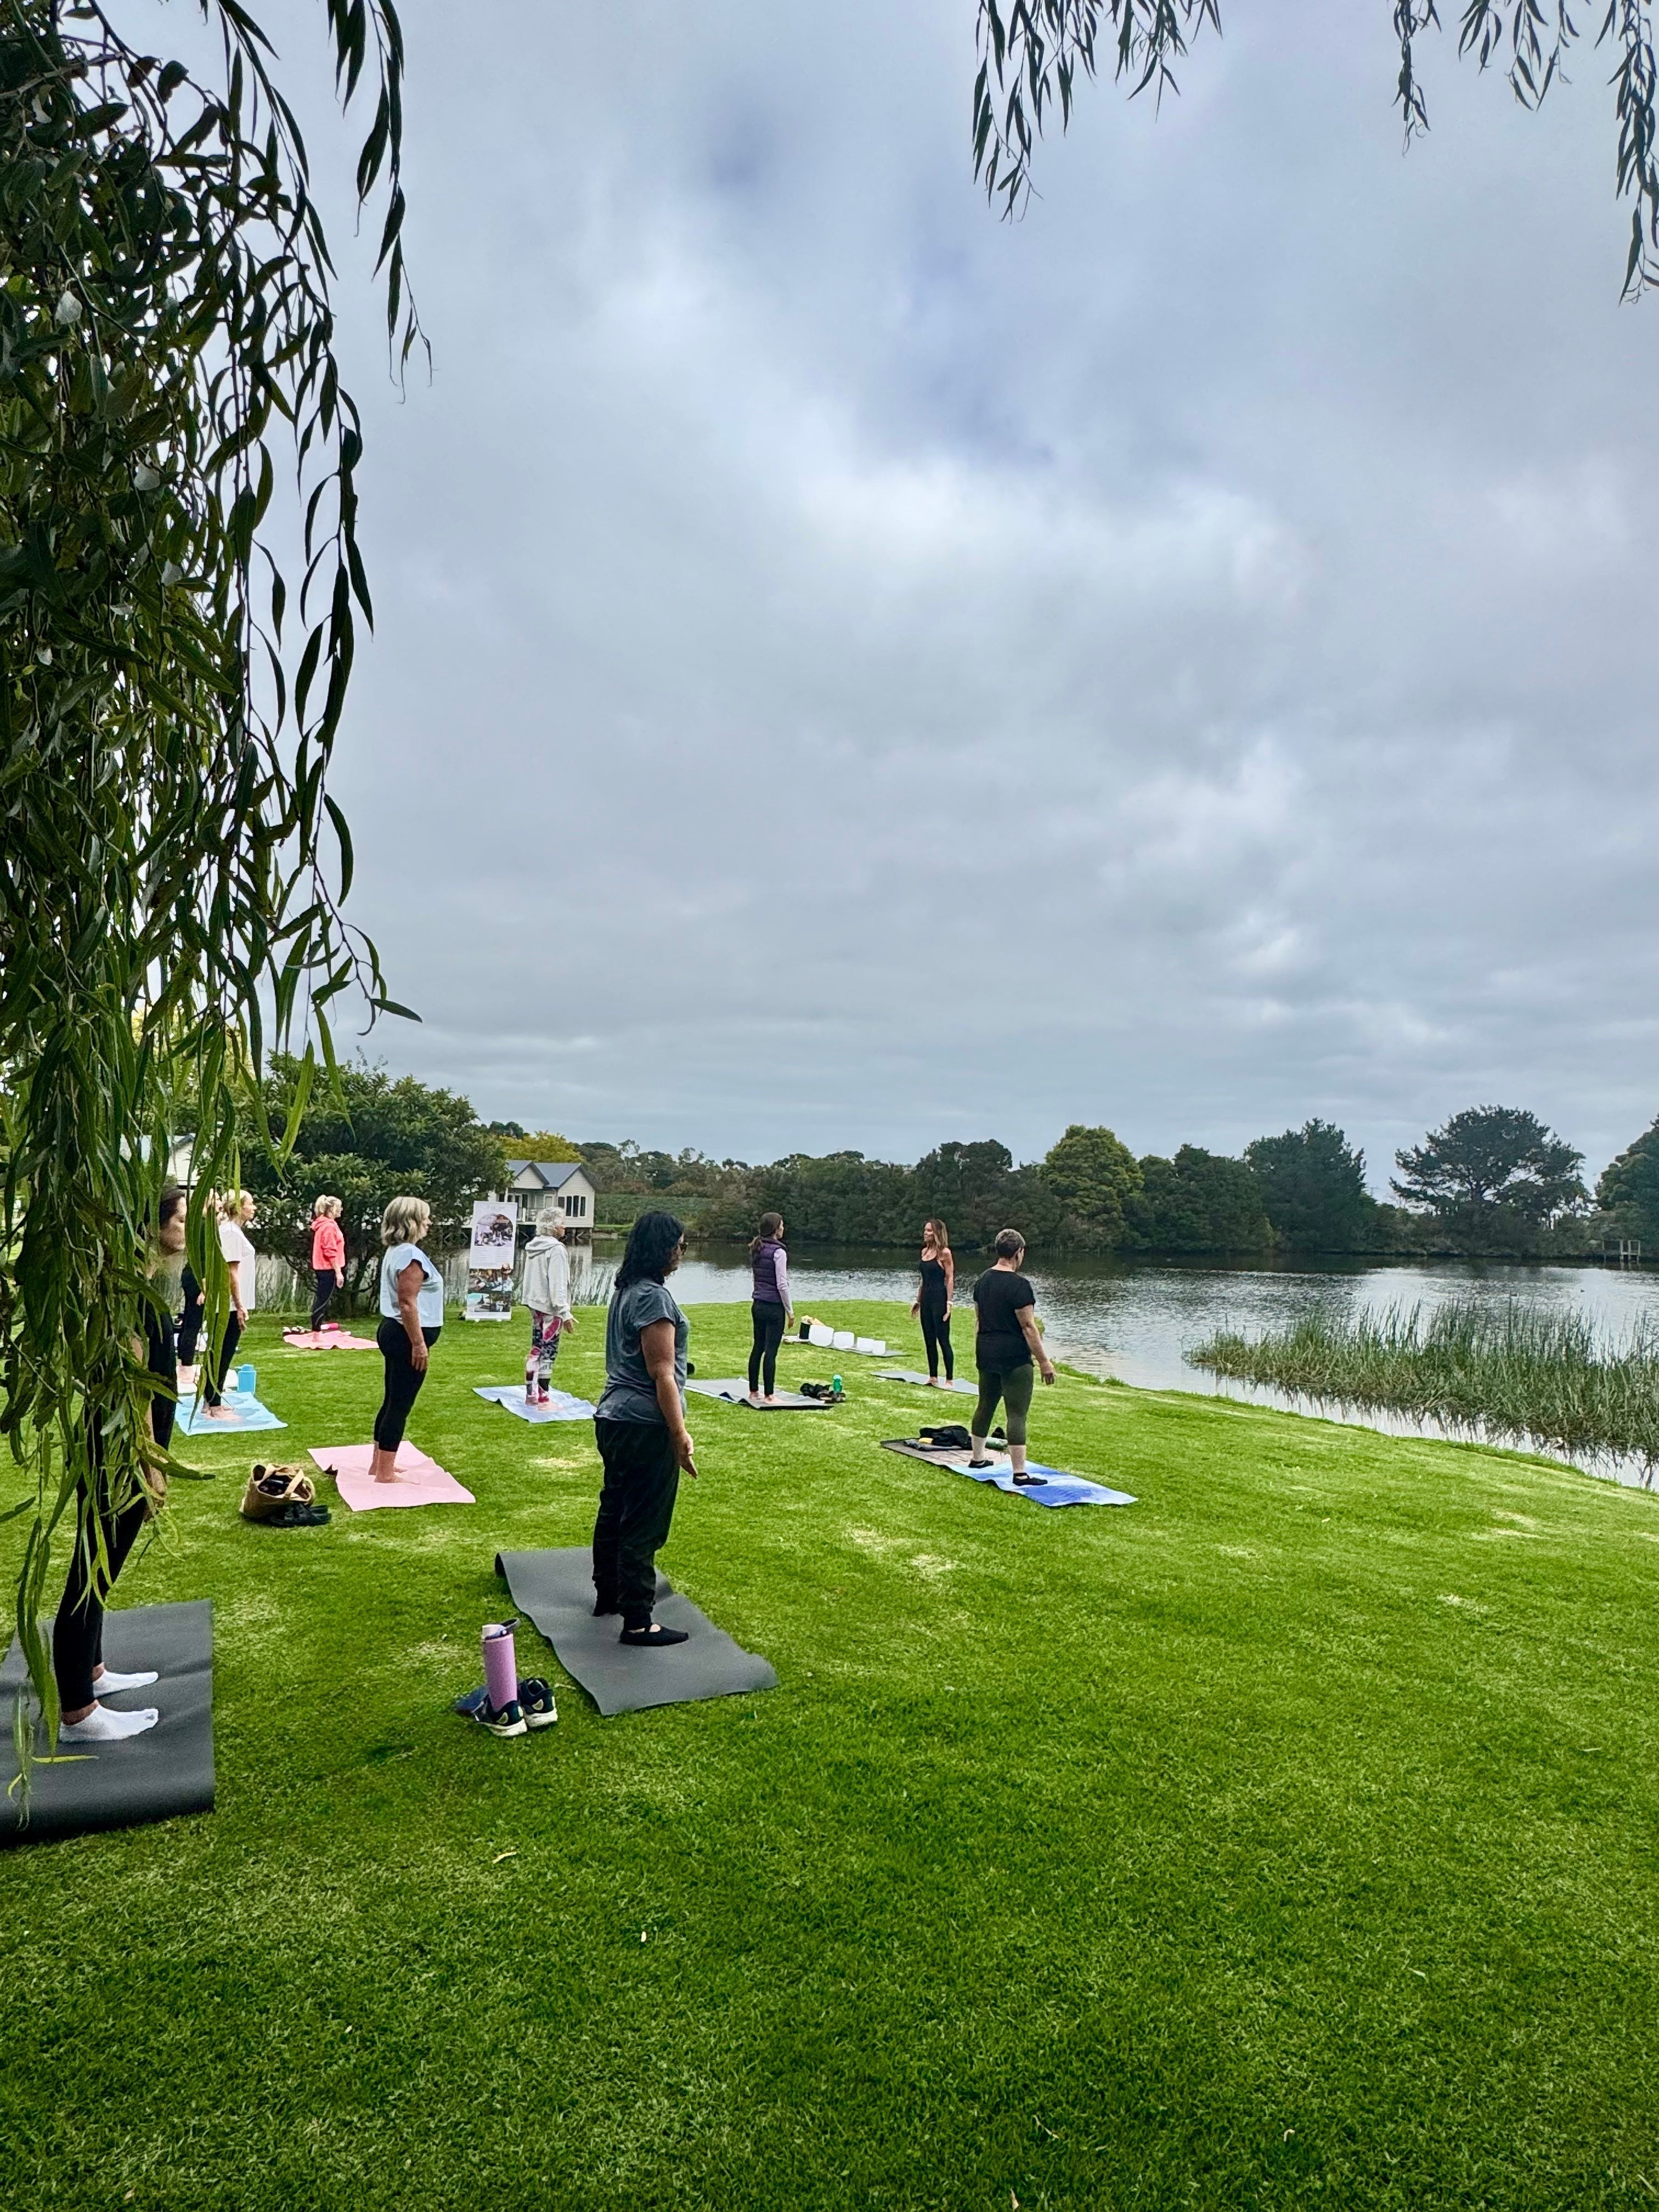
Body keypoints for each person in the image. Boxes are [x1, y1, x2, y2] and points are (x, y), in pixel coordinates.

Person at [53, 1184, 188, 1744]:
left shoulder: (147, 1282)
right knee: (92, 1572)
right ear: (153, 1226)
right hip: (120, 1454)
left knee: (101, 1569)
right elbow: (129, 1390)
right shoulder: (129, 1292)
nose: (188, 1231)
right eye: (182, 1220)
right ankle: (78, 1714)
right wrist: (150, 1464)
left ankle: (93, 1673)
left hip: (123, 1450)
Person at [592, 1211, 697, 1646]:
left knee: (616, 1508)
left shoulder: (626, 1290)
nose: (682, 1252)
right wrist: (679, 1434)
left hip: (615, 1418)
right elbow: (662, 1373)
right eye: (679, 1245)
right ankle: (638, 1620)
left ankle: (609, 1595)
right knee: (643, 1522)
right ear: (664, 1249)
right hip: (642, 1423)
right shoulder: (652, 1298)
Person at [969, 1228, 1056, 1485]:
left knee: (985, 1405)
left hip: (987, 1350)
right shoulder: (1020, 1286)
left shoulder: (982, 1280)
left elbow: (978, 1321)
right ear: (1019, 1253)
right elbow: (1028, 1327)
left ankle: (977, 1458)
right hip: (1014, 1357)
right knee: (1016, 1414)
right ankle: (1020, 1473)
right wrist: (1044, 1362)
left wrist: (980, 1351)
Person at [371, 1196, 445, 1483]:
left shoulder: (398, 1251)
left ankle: (379, 1464)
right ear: (411, 1221)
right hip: (404, 1336)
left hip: (396, 1333)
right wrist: (418, 1344)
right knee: (400, 1405)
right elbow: (407, 1303)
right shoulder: (409, 1256)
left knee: (392, 1400)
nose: (429, 1222)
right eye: (425, 1217)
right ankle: (385, 1474)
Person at [201, 1189, 257, 1417]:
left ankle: (211, 1400)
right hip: (229, 1304)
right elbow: (230, 1271)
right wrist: (240, 1305)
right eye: (251, 1204)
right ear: (239, 1207)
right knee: (222, 1352)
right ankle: (213, 1403)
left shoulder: (231, 1231)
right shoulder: (231, 1232)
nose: (254, 1208)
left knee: (222, 1351)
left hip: (229, 1302)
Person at [522, 1214, 575, 1403]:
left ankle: (531, 1392)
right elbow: (558, 1283)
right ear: (553, 1227)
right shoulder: (557, 1250)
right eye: (562, 1223)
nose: (565, 1227)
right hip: (550, 1307)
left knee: (537, 1346)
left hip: (535, 1304)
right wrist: (564, 1312)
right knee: (549, 1350)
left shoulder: (533, 1247)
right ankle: (544, 1395)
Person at [746, 1211, 793, 1404]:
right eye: (781, 1225)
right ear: (775, 1229)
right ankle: (770, 1396)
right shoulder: (778, 1252)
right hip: (774, 1308)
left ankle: (754, 1391)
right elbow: (782, 1284)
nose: (783, 1228)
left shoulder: (757, 1248)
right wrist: (790, 1311)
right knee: (771, 1351)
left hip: (758, 1304)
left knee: (758, 1347)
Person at [910, 1217, 955, 1385]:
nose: (925, 1233)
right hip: (927, 1300)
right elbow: (924, 1279)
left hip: (940, 1299)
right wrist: (918, 1300)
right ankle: (933, 1377)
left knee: (943, 1339)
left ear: (937, 1233)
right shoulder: (924, 1252)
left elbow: (950, 1278)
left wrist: (949, 1304)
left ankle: (949, 1379)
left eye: (929, 1230)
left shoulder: (945, 1253)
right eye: (925, 1230)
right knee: (929, 1338)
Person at [309, 1194, 346, 1333]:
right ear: (332, 1209)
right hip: (327, 1268)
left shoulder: (324, 1225)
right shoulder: (329, 1227)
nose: (341, 1210)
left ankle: (317, 1326)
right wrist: (338, 1272)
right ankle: (316, 1328)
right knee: (323, 1299)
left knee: (322, 1297)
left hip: (322, 1267)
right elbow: (330, 1250)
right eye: (339, 1207)